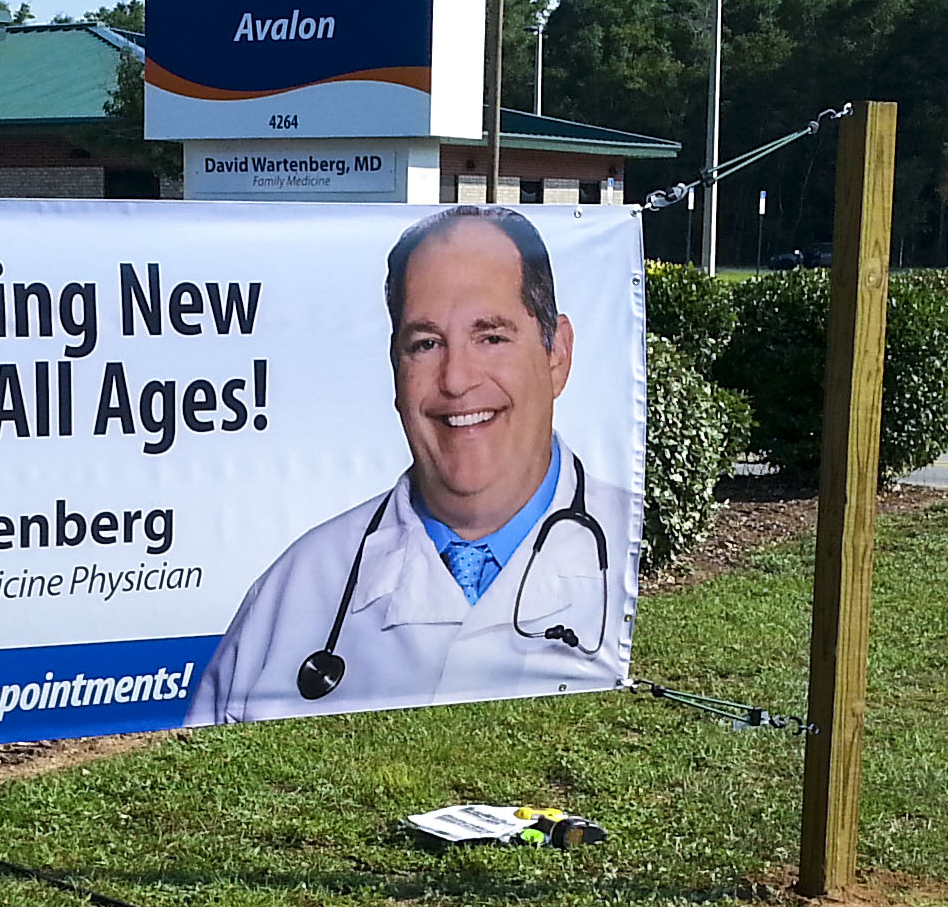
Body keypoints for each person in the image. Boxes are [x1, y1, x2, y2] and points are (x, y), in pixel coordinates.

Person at [189, 205, 629, 725]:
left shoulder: (633, 555)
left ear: (557, 354)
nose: (456, 379)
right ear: (395, 369)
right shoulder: (296, 589)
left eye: (490, 336)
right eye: (425, 344)